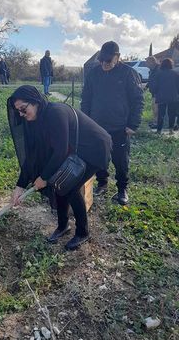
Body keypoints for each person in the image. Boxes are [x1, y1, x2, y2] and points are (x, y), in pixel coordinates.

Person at [8, 85, 112, 250]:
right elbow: (32, 155)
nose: (21, 114)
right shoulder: (34, 121)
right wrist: (20, 186)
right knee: (58, 184)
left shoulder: (56, 113)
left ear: (35, 101)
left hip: (94, 147)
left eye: (23, 109)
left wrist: (43, 177)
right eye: (18, 111)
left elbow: (60, 151)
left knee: (70, 187)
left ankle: (83, 232)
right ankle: (63, 226)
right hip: (73, 150)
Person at [81, 41, 144, 205]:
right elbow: (86, 99)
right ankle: (102, 183)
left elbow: (138, 100)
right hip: (97, 126)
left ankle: (122, 188)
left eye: (108, 61)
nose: (104, 64)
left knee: (120, 160)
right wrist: (86, 121)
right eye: (102, 60)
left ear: (118, 57)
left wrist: (133, 124)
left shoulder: (128, 74)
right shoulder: (93, 74)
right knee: (100, 157)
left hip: (120, 127)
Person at [149, 58, 179, 133]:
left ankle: (159, 130)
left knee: (161, 114)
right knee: (171, 114)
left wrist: (154, 92)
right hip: (173, 97)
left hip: (161, 96)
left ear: (162, 64)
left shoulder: (159, 74)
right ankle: (171, 130)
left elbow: (155, 85)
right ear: (171, 64)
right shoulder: (175, 74)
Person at [145, 56, 160, 127]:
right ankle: (155, 121)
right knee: (154, 108)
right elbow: (150, 81)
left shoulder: (158, 69)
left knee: (156, 108)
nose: (146, 64)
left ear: (152, 62)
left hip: (158, 93)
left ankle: (156, 123)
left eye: (147, 62)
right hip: (154, 92)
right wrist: (145, 88)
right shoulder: (152, 70)